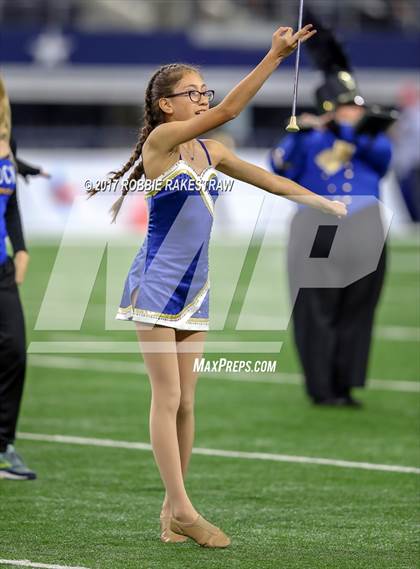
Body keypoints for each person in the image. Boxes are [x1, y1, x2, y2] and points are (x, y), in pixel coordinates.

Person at [90, 24, 346, 547]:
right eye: (193, 93)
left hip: (195, 289)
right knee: (166, 398)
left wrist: (322, 203)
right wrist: (275, 56)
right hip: (156, 285)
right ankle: (184, 509)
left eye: (204, 91)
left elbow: (270, 180)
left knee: (187, 403)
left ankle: (170, 512)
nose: (203, 99)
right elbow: (230, 110)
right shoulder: (162, 144)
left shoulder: (211, 153)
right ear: (165, 106)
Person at [270, 12, 393, 407]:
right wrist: (304, 131)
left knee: (358, 306)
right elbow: (279, 164)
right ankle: (321, 386)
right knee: (316, 306)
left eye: (355, 107)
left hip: (366, 227)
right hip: (317, 225)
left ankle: (346, 382)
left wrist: (345, 129)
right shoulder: (308, 139)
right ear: (330, 106)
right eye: (347, 107)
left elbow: (382, 158)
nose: (355, 111)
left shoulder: (369, 136)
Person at [0, 73, 36, 480]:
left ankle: (3, 447)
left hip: (3, 268)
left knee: (13, 352)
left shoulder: (8, 143)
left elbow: (9, 206)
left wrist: (21, 247)